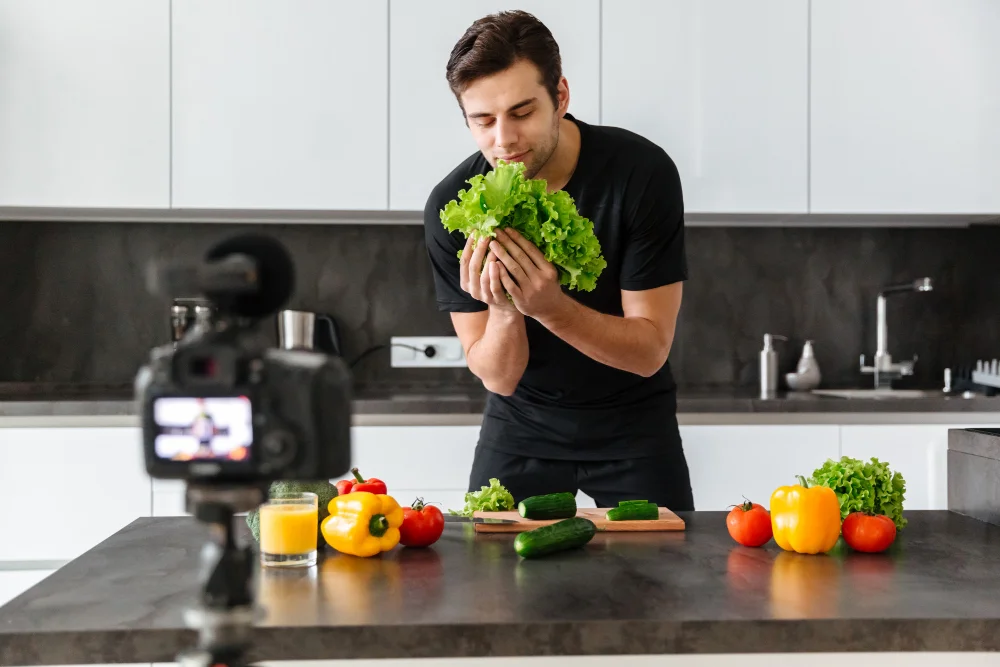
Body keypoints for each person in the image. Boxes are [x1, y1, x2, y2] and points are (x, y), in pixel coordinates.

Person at [422, 10, 694, 511]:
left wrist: (549, 307)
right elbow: (497, 376)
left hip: (633, 423)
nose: (502, 140)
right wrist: (506, 309)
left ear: (561, 97)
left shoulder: (640, 174)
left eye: (522, 113)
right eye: (482, 121)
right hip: (520, 425)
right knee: (495, 579)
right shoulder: (452, 207)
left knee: (661, 583)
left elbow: (649, 350)